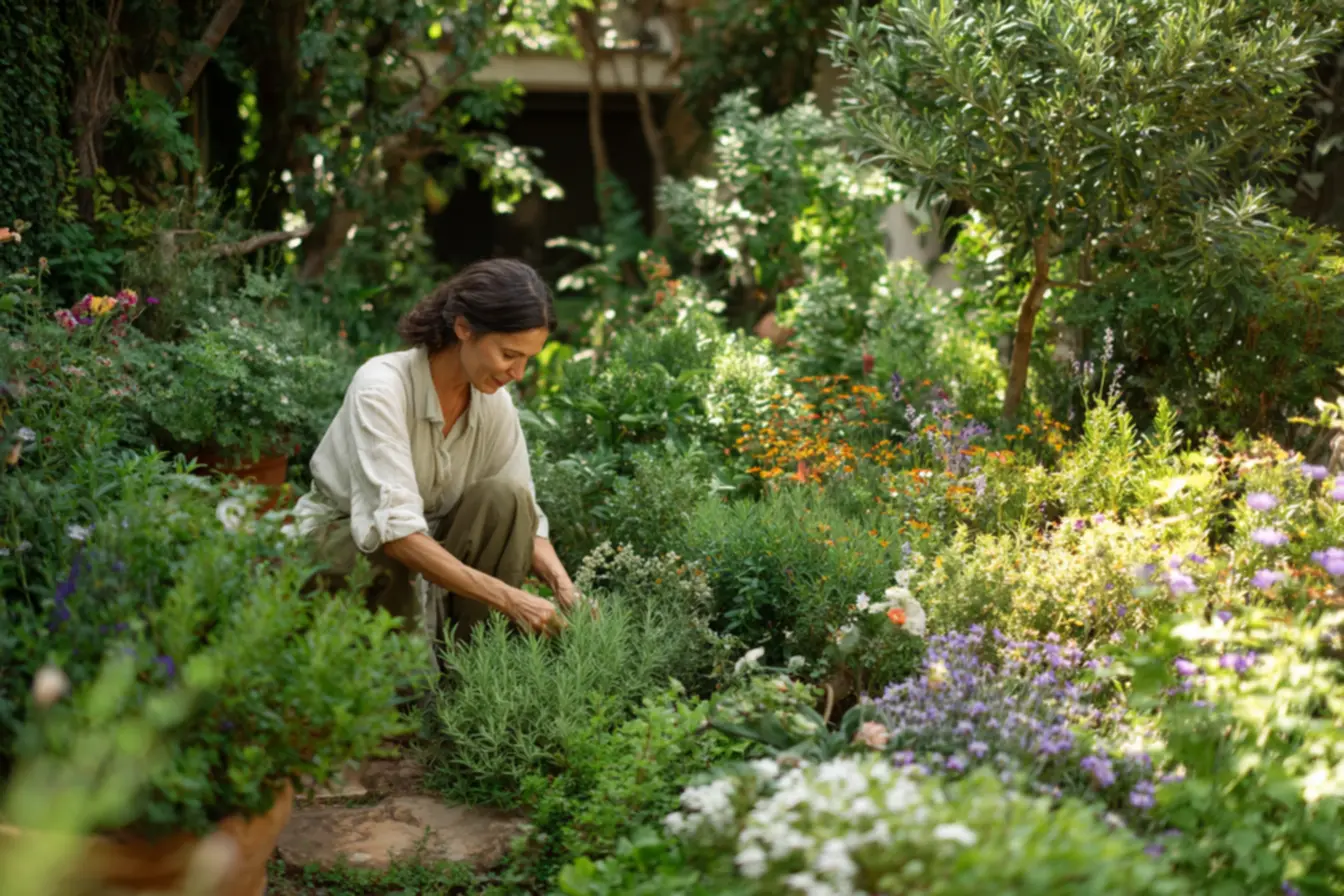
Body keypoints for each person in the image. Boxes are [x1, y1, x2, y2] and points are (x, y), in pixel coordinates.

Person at [294, 258, 577, 641]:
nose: (518, 374)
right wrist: (513, 600)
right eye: (509, 355)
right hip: (343, 548)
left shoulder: (495, 402)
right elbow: (397, 535)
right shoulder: (381, 387)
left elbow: (526, 517)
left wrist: (564, 588)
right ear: (463, 328)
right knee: (393, 548)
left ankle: (473, 668)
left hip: (424, 541)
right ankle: (405, 691)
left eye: (528, 359)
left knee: (507, 499)